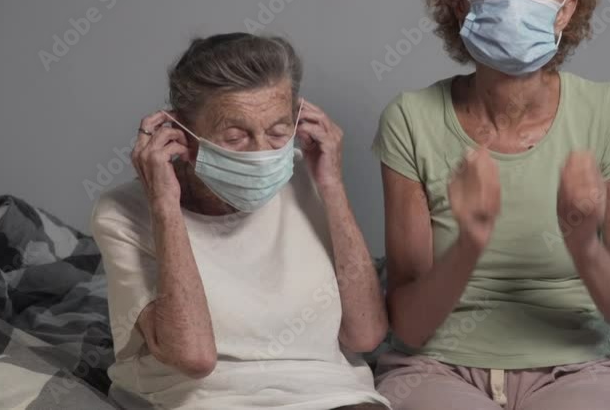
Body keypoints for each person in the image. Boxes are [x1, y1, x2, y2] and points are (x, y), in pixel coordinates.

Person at [371, 0, 610, 410]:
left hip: (576, 369)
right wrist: (471, 241)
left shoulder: (608, 114)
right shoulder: (410, 119)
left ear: (565, 11)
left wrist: (582, 244)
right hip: (435, 369)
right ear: (461, 3)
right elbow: (408, 323)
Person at [90, 33, 390, 410]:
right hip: (201, 400)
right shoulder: (121, 212)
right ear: (179, 132)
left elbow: (366, 335)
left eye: (279, 132)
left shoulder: (308, 182)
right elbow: (193, 357)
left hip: (330, 393)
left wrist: (332, 185)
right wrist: (165, 206)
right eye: (235, 136)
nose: (262, 153)